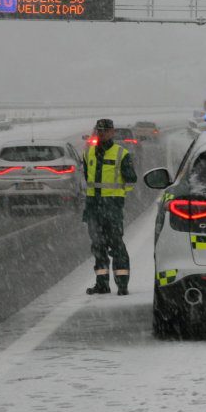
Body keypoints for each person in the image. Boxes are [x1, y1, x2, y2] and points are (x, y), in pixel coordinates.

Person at [82, 118, 137, 295]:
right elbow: (88, 179)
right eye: (99, 130)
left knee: (117, 246)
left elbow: (131, 179)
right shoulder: (88, 153)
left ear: (112, 132)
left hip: (112, 209)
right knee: (98, 247)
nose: (102, 133)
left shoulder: (121, 153)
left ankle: (122, 285)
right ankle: (102, 284)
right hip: (93, 208)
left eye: (105, 130)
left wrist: (116, 198)